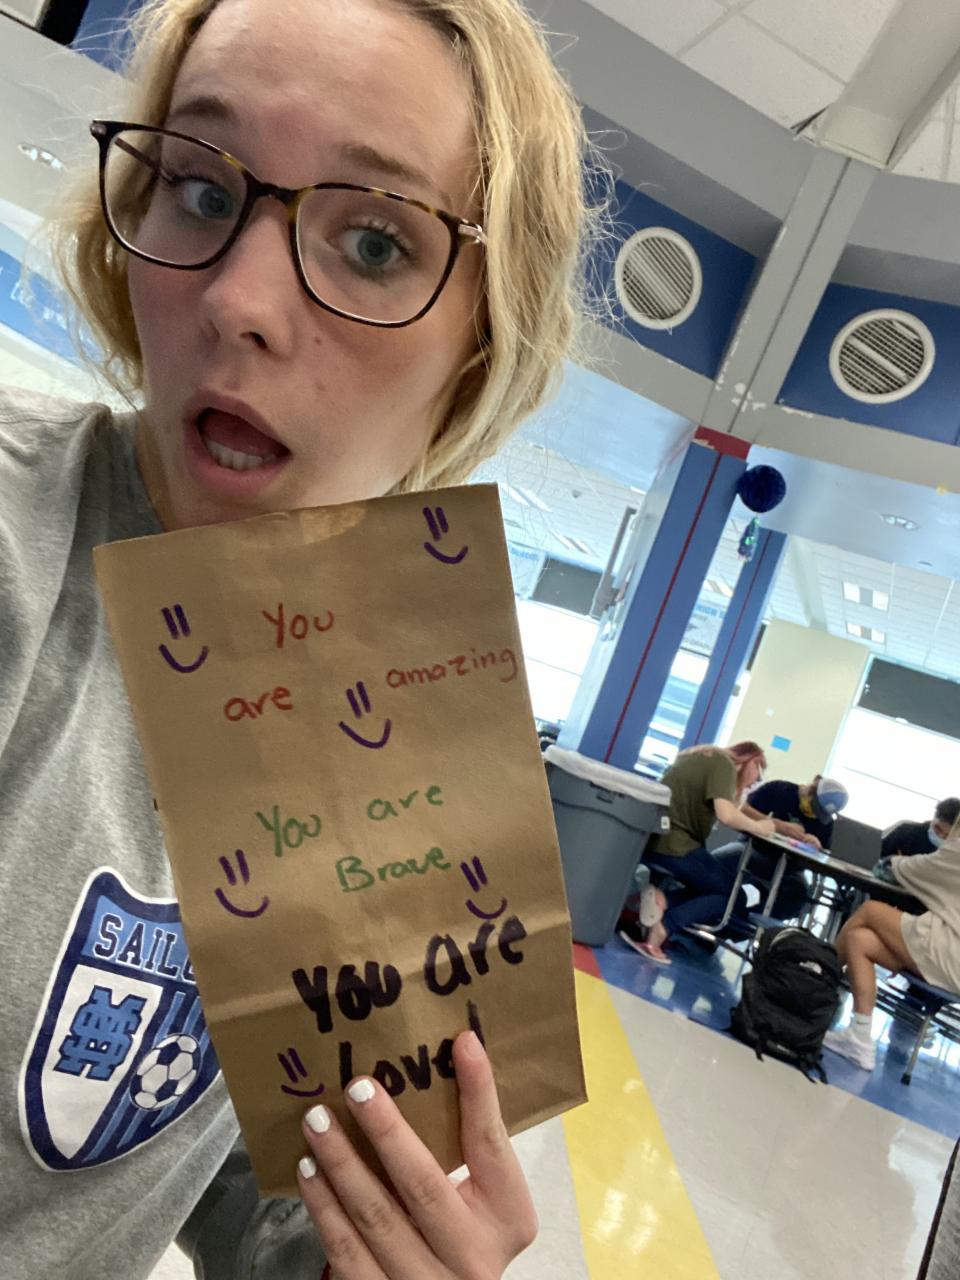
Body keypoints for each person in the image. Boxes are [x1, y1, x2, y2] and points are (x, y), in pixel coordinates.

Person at [2, 1, 601, 1276]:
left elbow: (241, 1185)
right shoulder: (20, 544)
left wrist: (377, 1249)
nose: (240, 302)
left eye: (375, 241)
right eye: (200, 190)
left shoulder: (401, 747)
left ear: (482, 339)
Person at [618, 741, 776, 963]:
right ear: (751, 761)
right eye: (757, 777)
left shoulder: (700, 756)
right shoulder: (724, 764)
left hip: (653, 839)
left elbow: (730, 808)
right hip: (676, 845)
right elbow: (726, 814)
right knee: (734, 897)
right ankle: (663, 926)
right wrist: (760, 827)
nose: (753, 784)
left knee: (715, 888)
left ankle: (661, 900)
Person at [823, 837, 960, 1071]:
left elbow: (901, 870)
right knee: (860, 940)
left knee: (869, 910)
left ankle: (815, 983)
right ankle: (859, 1037)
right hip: (949, 958)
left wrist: (897, 862)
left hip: (949, 954)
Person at [713, 775, 849, 923]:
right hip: (754, 849)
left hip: (791, 870)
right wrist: (776, 825)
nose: (814, 815)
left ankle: (749, 922)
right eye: (814, 808)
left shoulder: (826, 825)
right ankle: (719, 910)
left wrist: (817, 845)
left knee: (797, 898)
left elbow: (826, 854)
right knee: (722, 861)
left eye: (819, 814)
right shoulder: (779, 790)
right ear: (810, 791)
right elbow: (743, 808)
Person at [878, 797, 960, 862]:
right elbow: (876, 856)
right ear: (934, 816)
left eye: (947, 836)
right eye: (938, 829)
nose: (940, 836)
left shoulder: (954, 854)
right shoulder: (906, 831)